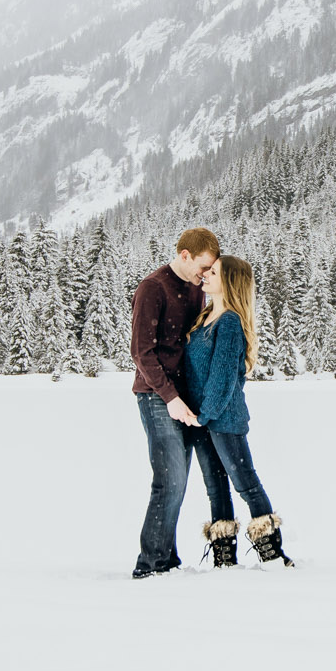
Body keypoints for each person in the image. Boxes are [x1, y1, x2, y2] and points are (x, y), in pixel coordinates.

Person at [186, 255, 292, 568]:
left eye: (213, 272)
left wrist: (204, 415)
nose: (206, 274)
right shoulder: (205, 315)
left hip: (224, 418)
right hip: (200, 419)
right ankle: (224, 557)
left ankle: (272, 553)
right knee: (215, 487)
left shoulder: (229, 321)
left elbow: (222, 379)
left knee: (245, 482)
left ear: (229, 282)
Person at [130, 227, 220, 579]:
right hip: (156, 394)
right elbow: (141, 351)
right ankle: (150, 564)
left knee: (178, 481)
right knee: (169, 479)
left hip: (183, 398)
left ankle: (166, 558)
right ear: (185, 256)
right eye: (202, 266)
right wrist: (169, 397)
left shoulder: (194, 289)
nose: (205, 274)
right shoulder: (153, 287)